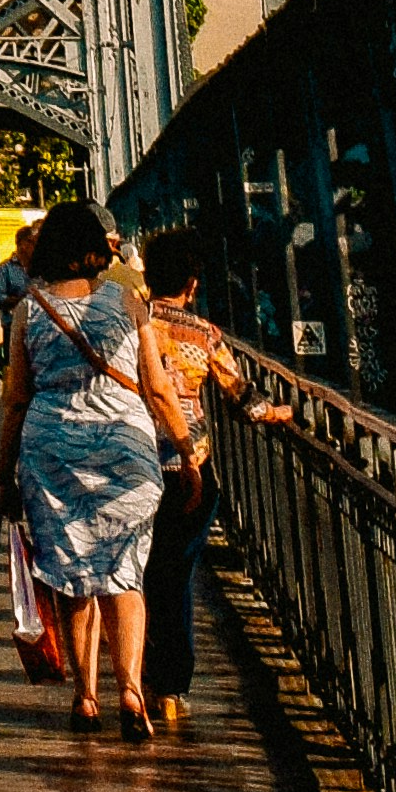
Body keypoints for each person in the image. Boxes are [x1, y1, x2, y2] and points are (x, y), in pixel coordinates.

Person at [0, 199, 197, 738]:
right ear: (94, 249)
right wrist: (186, 449)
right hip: (126, 452)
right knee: (126, 575)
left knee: (71, 577)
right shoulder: (129, 302)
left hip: (52, 454)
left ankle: (86, 697)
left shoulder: (29, 309)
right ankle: (131, 690)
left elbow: (15, 399)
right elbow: (155, 385)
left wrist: (1, 472)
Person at [129, 229, 284, 730]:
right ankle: (171, 688)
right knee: (176, 580)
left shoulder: (132, 324)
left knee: (136, 577)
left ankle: (140, 679)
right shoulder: (206, 334)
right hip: (189, 470)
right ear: (192, 285)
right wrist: (280, 412)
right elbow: (244, 399)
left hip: (135, 465)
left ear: (149, 279)